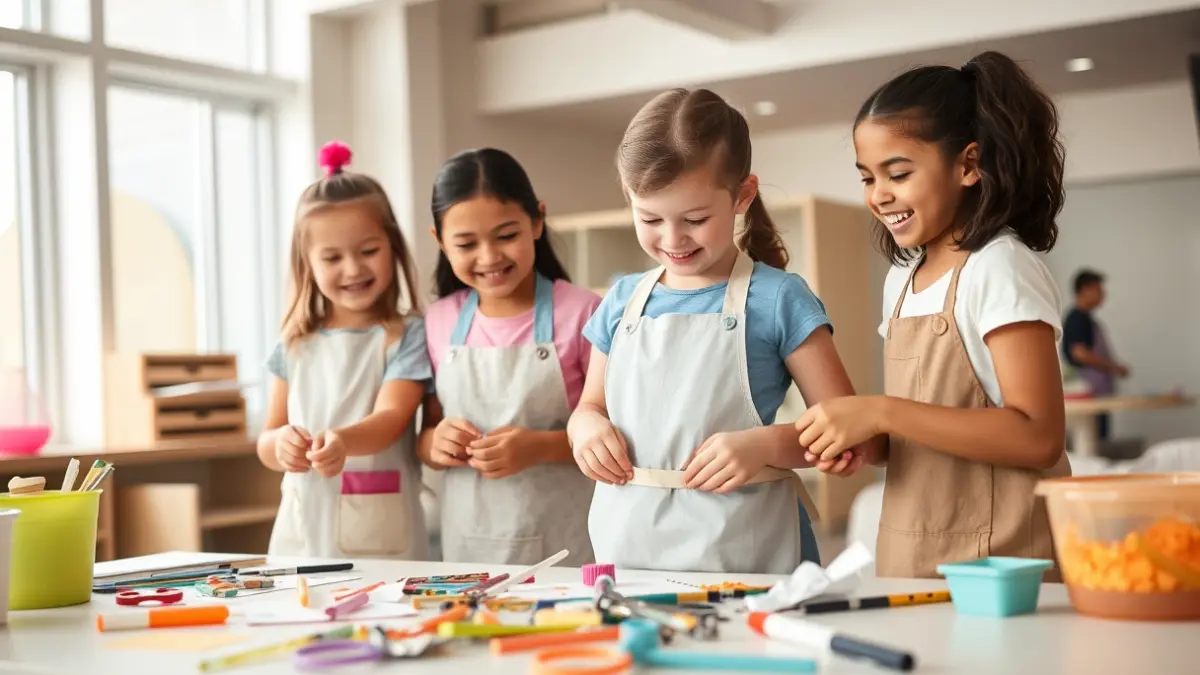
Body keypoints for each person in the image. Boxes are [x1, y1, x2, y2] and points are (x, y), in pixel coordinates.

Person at [567, 88, 872, 574]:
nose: (672, 239)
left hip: (745, 551)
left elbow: (850, 434)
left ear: (742, 196)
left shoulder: (779, 299)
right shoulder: (622, 300)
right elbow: (591, 405)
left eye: (695, 219)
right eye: (650, 218)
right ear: (629, 197)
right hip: (629, 547)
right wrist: (583, 427)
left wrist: (766, 445)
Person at [796, 51, 1073, 579]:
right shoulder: (902, 278)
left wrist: (880, 412)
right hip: (913, 548)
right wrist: (865, 440)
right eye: (866, 178)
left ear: (968, 165)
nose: (879, 196)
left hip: (1002, 558)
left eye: (897, 173)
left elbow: (1038, 437)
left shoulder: (1000, 266)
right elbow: (921, 431)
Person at [419, 148, 600, 566]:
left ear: (537, 221)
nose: (489, 257)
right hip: (468, 547)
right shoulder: (438, 320)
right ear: (440, 241)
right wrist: (436, 442)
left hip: (565, 544)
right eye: (466, 243)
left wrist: (537, 448)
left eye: (506, 235)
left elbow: (620, 436)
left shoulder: (584, 312)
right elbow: (426, 433)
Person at [257, 141, 432, 560]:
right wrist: (279, 443)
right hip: (299, 533)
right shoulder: (294, 341)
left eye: (368, 251)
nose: (352, 269)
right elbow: (267, 436)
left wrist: (342, 440)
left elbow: (392, 419)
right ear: (308, 264)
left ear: (392, 246)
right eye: (332, 257)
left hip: (383, 539)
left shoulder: (405, 335)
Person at [1063, 269, 1128, 439]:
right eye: (1099, 289)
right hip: (1088, 392)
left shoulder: (1087, 319)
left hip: (1098, 393)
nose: (1103, 294)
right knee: (1093, 440)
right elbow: (1080, 353)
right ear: (1085, 290)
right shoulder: (1077, 319)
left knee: (1099, 437)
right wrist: (1113, 367)